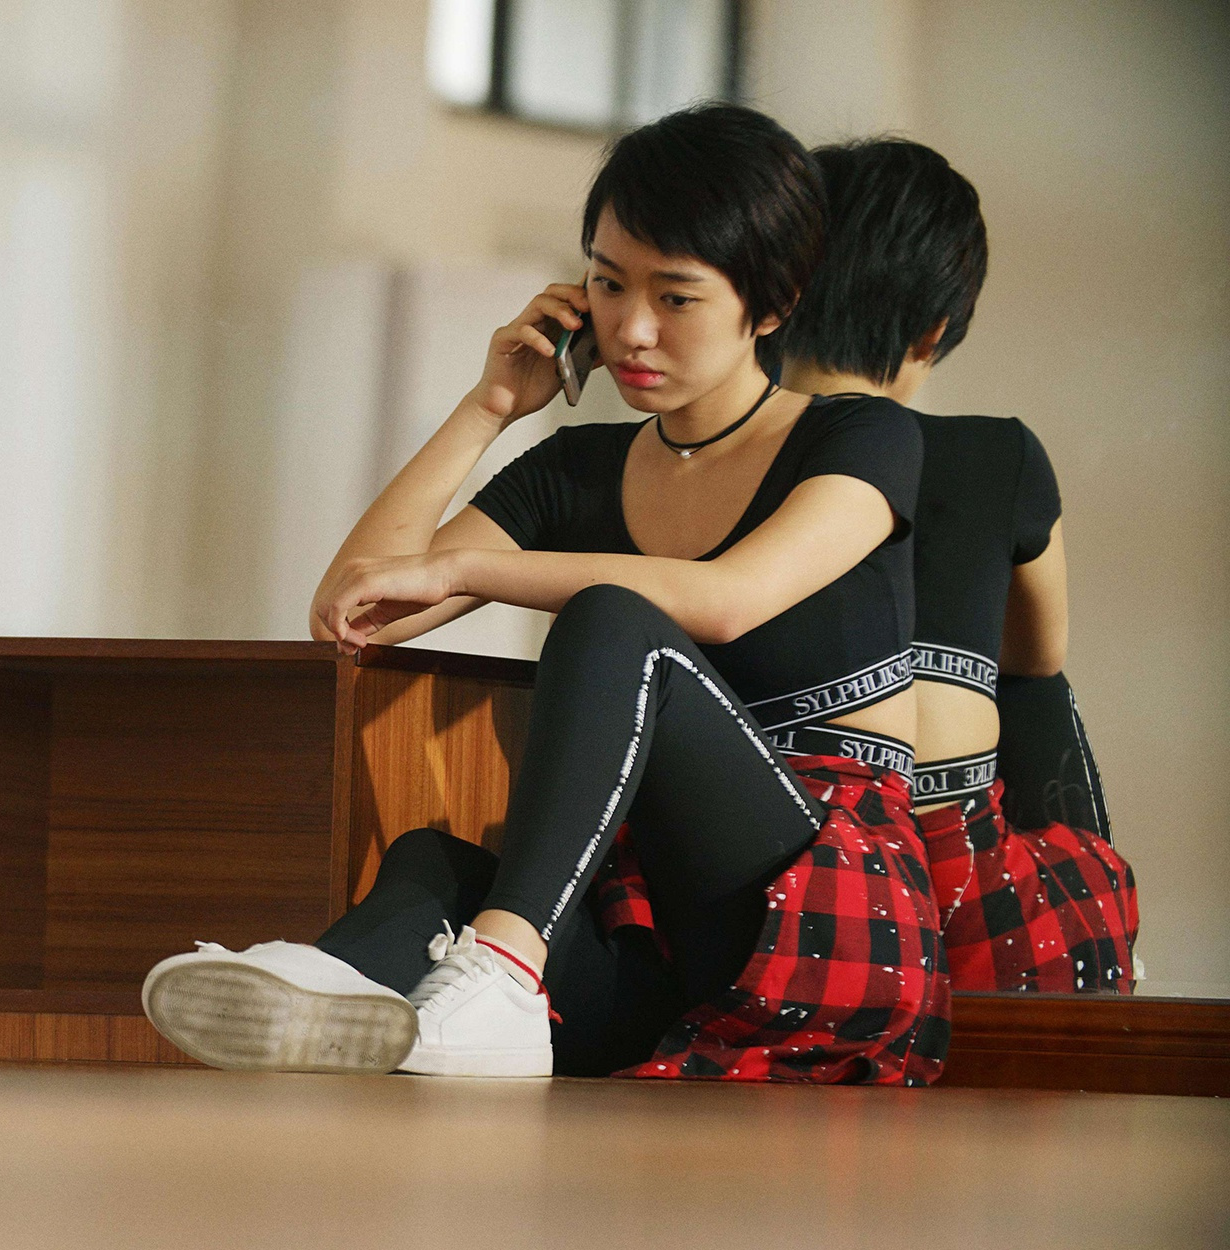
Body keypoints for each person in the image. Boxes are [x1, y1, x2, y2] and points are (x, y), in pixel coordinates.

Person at [142, 104, 949, 1083]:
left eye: (675, 296)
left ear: (772, 304)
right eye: (607, 283)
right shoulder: (576, 469)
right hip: (655, 937)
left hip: (830, 925)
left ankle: (502, 973)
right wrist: (488, 406)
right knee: (430, 863)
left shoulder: (859, 438)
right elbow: (355, 610)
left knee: (616, 621)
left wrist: (463, 568)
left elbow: (727, 599)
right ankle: (336, 980)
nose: (631, 328)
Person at [775, 138, 1137, 993]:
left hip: (775, 857)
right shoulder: (997, 454)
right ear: (934, 331)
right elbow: (1038, 657)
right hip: (951, 887)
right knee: (1038, 684)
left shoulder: (711, 453)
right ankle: (1102, 969)